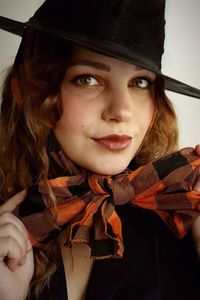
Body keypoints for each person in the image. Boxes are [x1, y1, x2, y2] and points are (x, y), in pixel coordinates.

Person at [0, 0, 200, 299]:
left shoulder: (181, 218)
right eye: (88, 79)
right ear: (28, 92)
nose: (121, 110)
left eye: (140, 82)